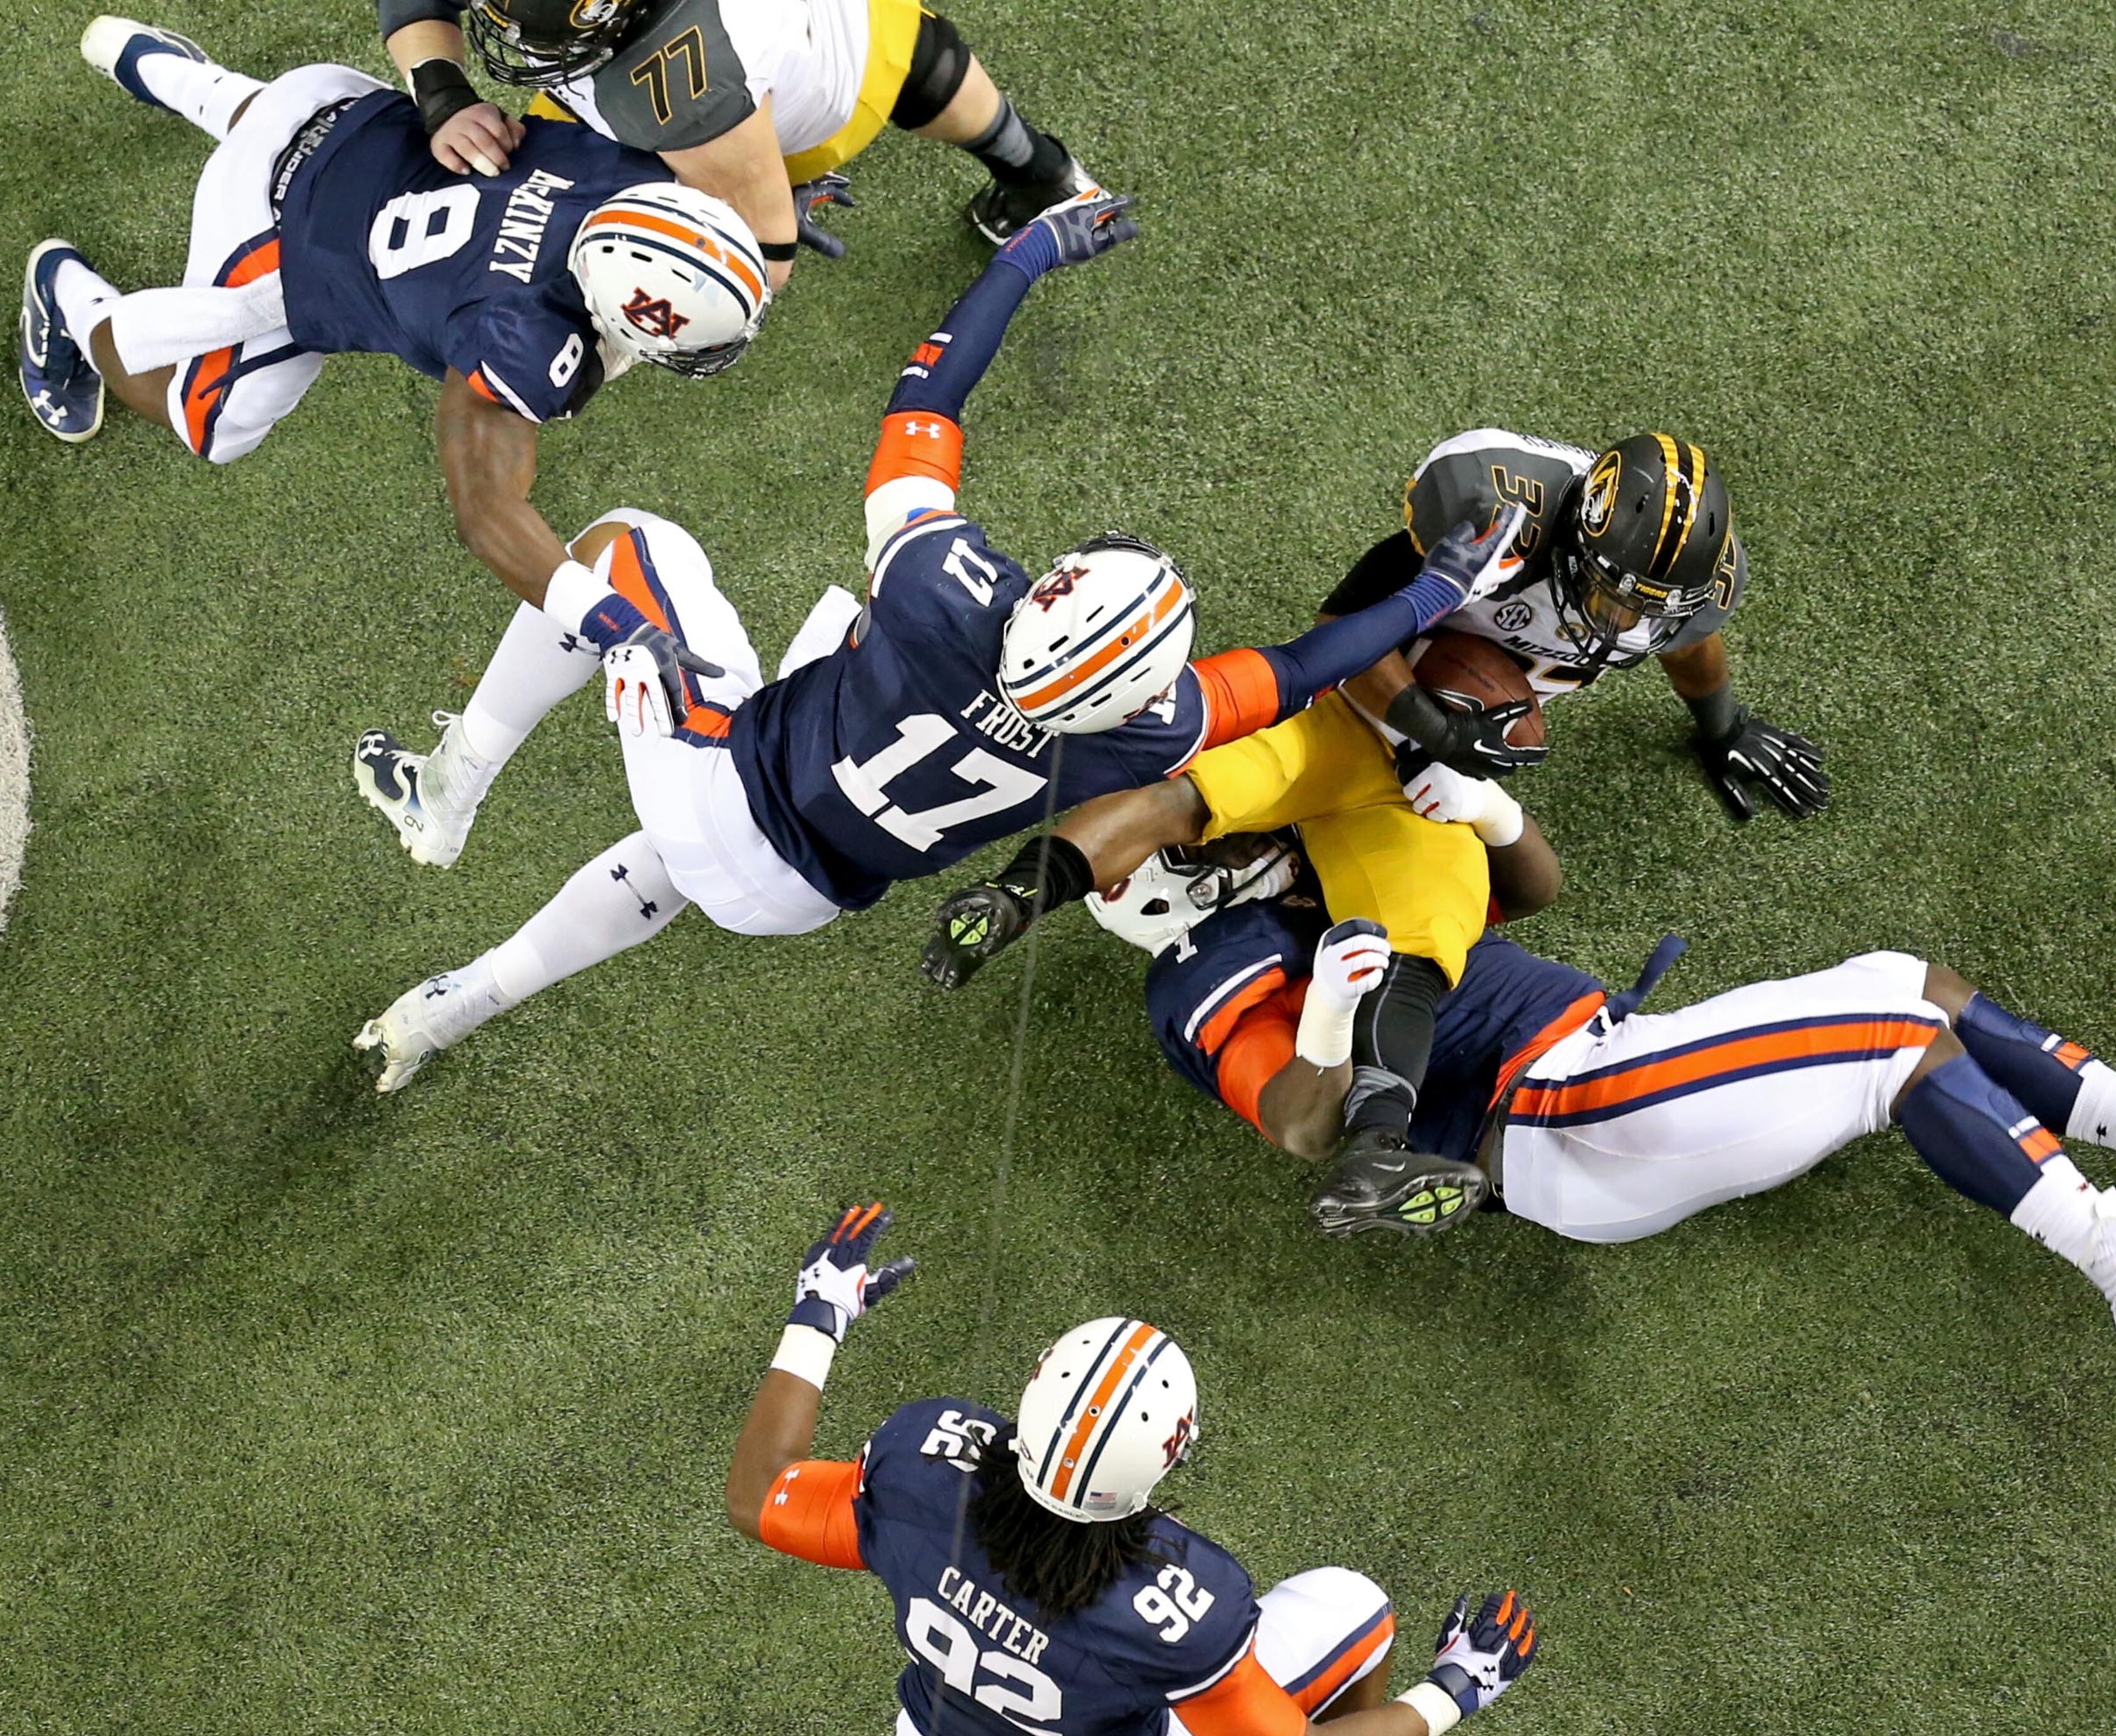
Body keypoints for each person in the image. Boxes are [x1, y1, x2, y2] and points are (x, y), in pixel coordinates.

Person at [348, 198, 1524, 1089]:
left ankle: (449, 784)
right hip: (797, 896)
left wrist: (1025, 257)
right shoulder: (1153, 730)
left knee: (626, 547)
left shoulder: (941, 590)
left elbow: (927, 400)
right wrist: (1438, 591)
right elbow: (1305, 668)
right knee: (675, 853)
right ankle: (457, 1003)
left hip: (723, 782)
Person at [918, 432, 1817, 1237]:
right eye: (1617, 596)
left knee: (1367, 911)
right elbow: (1345, 631)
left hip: (1411, 781)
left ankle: (1376, 1149)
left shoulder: (1672, 596)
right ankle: (1017, 896)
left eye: (1651, 606)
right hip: (1352, 716)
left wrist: (1723, 725)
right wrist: (1435, 728)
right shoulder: (1498, 509)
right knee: (1208, 803)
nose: (1628, 622)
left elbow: (1682, 641)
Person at [1083, 818, 2116, 1363]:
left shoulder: (1307, 866)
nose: (1235, 829)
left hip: (1602, 1065)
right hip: (1558, 1117)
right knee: (1894, 1037)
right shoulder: (1207, 965)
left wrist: (1479, 808)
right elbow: (1303, 1125)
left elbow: (1525, 890)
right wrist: (1322, 1012)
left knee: (1904, 980)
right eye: (1201, 839)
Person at [723, 1202, 1538, 1736]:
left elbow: (761, 1495)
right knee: (1357, 1611)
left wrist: (818, 1314)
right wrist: (1458, 1685)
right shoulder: (1177, 1606)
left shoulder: (921, 1467)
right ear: (1169, 1455)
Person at [20, 19, 766, 620]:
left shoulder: (632, 171)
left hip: (339, 102)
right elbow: (487, 514)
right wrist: (611, 624)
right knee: (211, 425)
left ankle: (171, 73)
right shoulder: (522, 337)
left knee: (287, 124)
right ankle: (67, 302)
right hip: (266, 228)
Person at [378, 0, 1098, 270]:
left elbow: (767, 256)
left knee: (555, 185)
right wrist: (442, 93)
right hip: (864, 27)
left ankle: (794, 171)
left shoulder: (675, 85)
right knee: (904, 44)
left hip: (808, 103)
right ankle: (1040, 170)